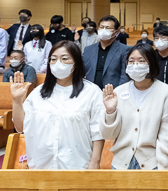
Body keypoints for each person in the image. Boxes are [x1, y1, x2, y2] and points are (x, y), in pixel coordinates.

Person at [10, 41, 105, 170]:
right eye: (53, 59)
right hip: (41, 165)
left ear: (76, 62)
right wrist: (16, 100)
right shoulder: (38, 93)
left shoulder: (91, 92)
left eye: (64, 59)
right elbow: (20, 126)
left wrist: (95, 162)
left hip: (77, 164)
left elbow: (98, 132)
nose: (58, 63)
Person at [100, 44, 168, 170]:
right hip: (121, 164)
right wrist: (110, 111)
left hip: (153, 165)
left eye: (141, 61)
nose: (135, 65)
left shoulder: (165, 91)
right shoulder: (119, 92)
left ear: (151, 63)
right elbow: (109, 136)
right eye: (131, 61)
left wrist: (163, 165)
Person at [83, 15, 129, 89]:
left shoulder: (124, 50)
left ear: (116, 32)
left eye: (108, 28)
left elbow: (124, 76)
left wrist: (118, 92)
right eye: (101, 27)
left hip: (113, 93)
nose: (103, 30)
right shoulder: (88, 49)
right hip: (91, 93)